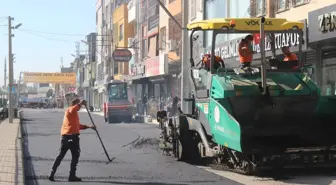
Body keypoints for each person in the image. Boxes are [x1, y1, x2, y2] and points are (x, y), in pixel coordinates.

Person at [48, 98, 96, 182]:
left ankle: (54, 174)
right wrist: (80, 103)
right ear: (75, 103)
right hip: (72, 137)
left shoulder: (74, 114)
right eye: (78, 105)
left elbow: (77, 126)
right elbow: (74, 109)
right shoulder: (71, 109)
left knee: (62, 156)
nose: (79, 107)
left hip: (66, 137)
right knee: (74, 156)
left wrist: (89, 127)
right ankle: (70, 175)